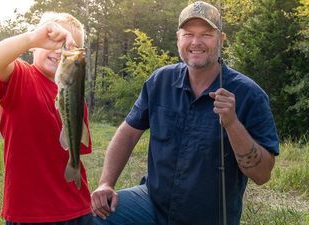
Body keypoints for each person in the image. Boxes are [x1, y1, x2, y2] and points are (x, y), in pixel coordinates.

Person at [90, 1, 279, 225]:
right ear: (178, 38)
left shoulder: (249, 95)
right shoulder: (160, 81)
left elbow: (262, 175)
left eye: (206, 34)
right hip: (152, 202)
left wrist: (232, 123)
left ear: (221, 39)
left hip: (208, 218)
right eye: (188, 34)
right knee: (94, 216)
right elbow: (127, 134)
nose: (196, 42)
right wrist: (106, 183)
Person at [0, 12, 93, 224]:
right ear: (34, 47)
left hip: (77, 207)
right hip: (27, 211)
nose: (59, 51)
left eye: (69, 47)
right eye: (53, 42)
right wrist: (32, 37)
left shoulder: (75, 97)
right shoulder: (20, 77)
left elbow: (77, 145)